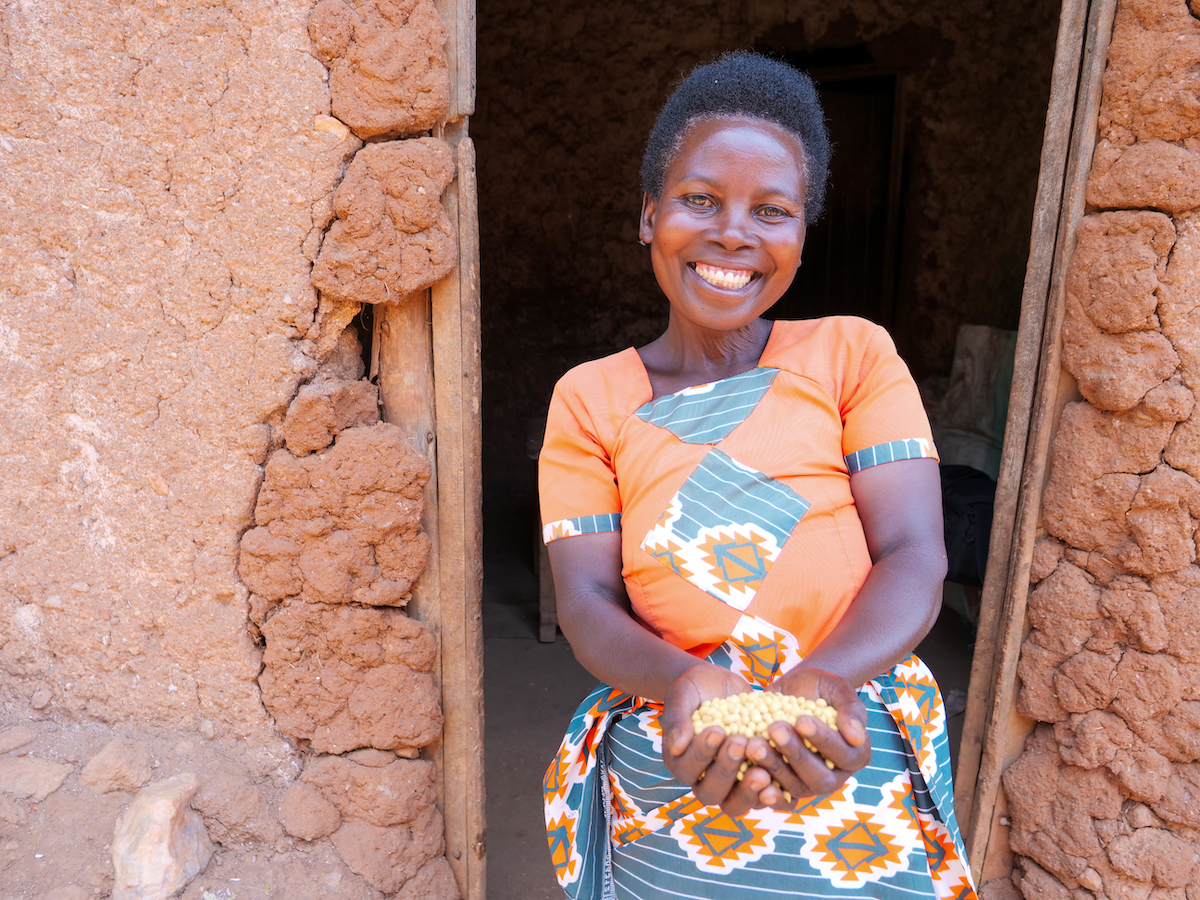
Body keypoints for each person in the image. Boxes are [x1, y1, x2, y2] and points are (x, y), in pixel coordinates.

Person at [539, 51, 977, 900]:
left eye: (771, 211)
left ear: (801, 237)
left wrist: (824, 681)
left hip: (851, 737)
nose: (733, 232)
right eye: (699, 199)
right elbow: (585, 602)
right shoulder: (591, 399)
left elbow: (915, 552)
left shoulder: (851, 355)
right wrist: (685, 684)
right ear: (648, 216)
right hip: (677, 745)